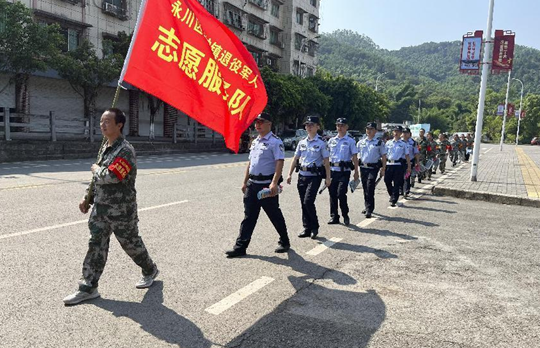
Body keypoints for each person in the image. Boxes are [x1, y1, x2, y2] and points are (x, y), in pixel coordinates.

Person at [63, 108, 158, 306]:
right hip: (101, 210)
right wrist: (87, 198)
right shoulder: (105, 147)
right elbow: (97, 180)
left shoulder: (125, 150)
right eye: (101, 121)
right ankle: (88, 287)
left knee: (131, 245)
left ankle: (149, 269)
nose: (102, 125)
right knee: (95, 245)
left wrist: (97, 170)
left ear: (119, 125)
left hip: (121, 211)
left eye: (107, 122)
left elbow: (112, 176)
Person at [226, 113, 290, 258]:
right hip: (252, 184)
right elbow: (250, 163)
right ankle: (240, 247)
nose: (258, 125)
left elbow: (279, 162)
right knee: (249, 216)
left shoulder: (275, 142)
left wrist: (274, 182)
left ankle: (284, 240)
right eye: (256, 122)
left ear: (269, 124)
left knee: (274, 215)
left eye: (261, 122)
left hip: (266, 185)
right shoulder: (255, 142)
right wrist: (244, 182)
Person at [287, 116, 331, 239]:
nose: (309, 127)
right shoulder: (302, 142)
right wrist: (289, 174)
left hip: (314, 177)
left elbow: (326, 161)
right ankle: (306, 227)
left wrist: (328, 178)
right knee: (303, 203)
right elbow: (295, 158)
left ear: (318, 127)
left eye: (312, 125)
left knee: (308, 201)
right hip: (302, 175)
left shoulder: (321, 143)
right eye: (307, 125)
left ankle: (315, 226)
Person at [326, 118, 359, 226]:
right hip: (332, 171)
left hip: (344, 171)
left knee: (341, 193)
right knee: (332, 194)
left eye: (342, 125)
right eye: (338, 125)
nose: (340, 127)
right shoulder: (331, 141)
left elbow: (354, 156)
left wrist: (356, 172)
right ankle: (334, 216)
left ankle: (345, 214)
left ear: (346, 127)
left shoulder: (350, 141)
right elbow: (326, 157)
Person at [357, 122, 387, 218]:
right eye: (367, 129)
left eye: (371, 129)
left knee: (370, 187)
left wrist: (383, 168)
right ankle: (367, 206)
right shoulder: (361, 142)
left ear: (375, 131)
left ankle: (370, 209)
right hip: (363, 167)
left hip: (373, 168)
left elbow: (383, 156)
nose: (369, 131)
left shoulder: (379, 142)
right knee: (365, 188)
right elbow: (356, 154)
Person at [384, 126, 411, 207]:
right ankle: (392, 194)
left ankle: (394, 199)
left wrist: (409, 167)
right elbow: (384, 155)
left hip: (398, 165)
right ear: (393, 132)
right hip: (389, 165)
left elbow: (407, 156)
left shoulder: (403, 144)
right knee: (387, 181)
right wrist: (383, 166)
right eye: (395, 131)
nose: (396, 133)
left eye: (398, 132)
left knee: (397, 183)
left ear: (401, 133)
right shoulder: (388, 143)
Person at [402, 127, 419, 198]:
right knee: (400, 176)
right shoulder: (399, 141)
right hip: (401, 161)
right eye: (404, 133)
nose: (405, 134)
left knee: (407, 176)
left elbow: (416, 153)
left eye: (406, 133)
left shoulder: (413, 142)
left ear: (410, 134)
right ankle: (401, 188)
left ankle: (406, 190)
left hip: (410, 161)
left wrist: (417, 162)